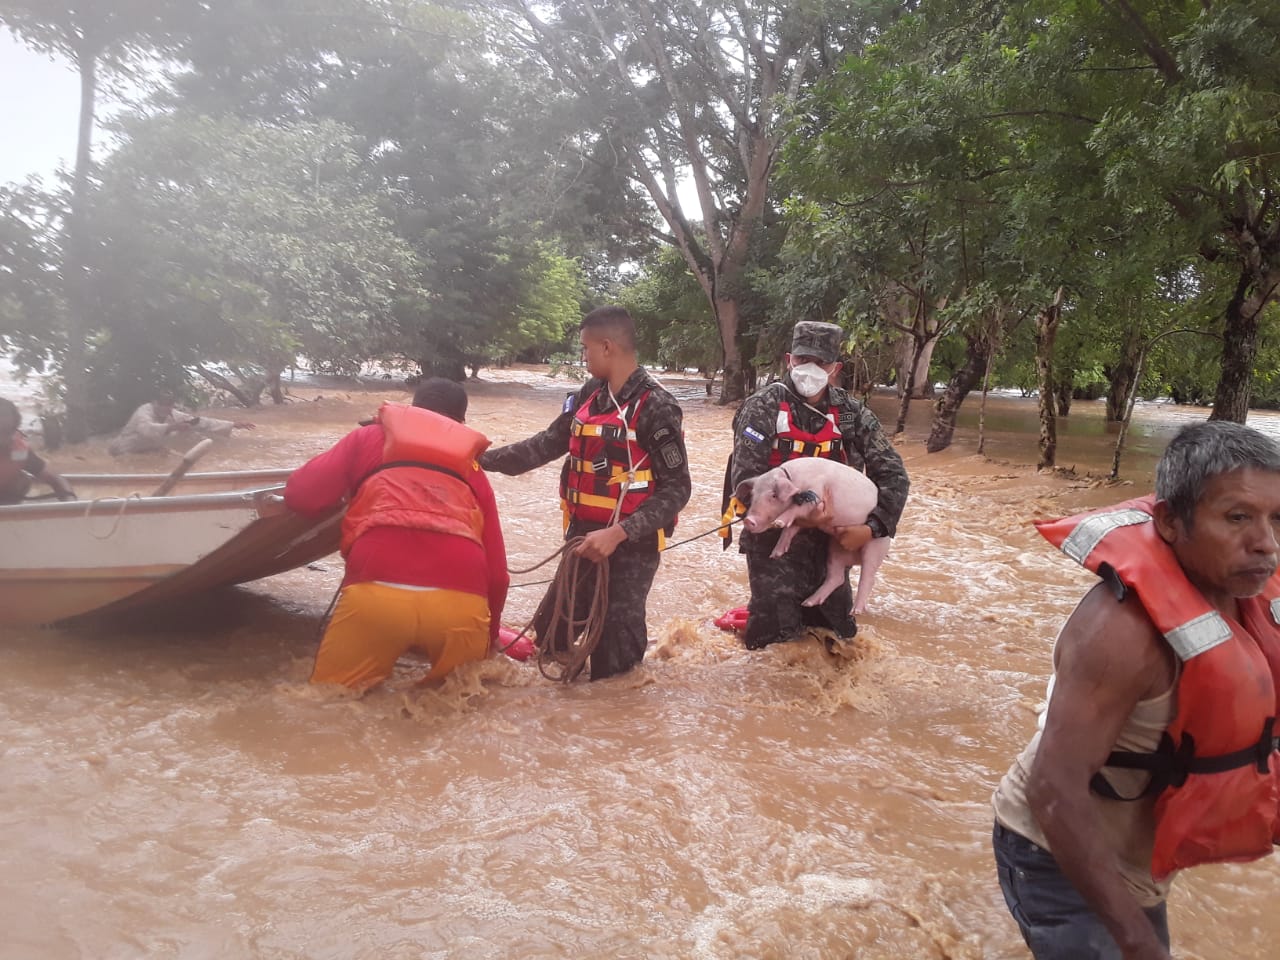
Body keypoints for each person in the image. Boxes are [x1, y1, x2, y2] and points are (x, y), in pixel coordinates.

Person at [992, 420, 1280, 960]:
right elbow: (1053, 790)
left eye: (1277, 519)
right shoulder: (1121, 634)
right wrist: (1137, 943)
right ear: (1171, 521)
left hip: (1137, 858)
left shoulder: (1249, 599)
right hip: (1052, 848)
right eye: (1237, 517)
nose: (1265, 543)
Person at [481, 305, 691, 680]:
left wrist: (617, 533)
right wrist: (476, 457)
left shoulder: (657, 406)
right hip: (581, 538)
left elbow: (678, 490)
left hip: (629, 547)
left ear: (607, 347)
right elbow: (543, 446)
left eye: (585, 349)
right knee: (550, 641)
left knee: (615, 667)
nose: (583, 357)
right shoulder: (589, 395)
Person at [284, 378, 509, 692]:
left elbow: (302, 496)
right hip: (460, 607)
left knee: (330, 701)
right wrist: (491, 638)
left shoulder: (365, 438)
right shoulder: (473, 470)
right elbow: (498, 576)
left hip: (376, 594)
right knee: (458, 703)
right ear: (460, 424)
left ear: (409, 409)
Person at [726, 321, 909, 650]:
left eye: (821, 363)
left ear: (835, 368)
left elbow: (894, 476)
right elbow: (745, 482)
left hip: (834, 544)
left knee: (837, 642)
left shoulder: (851, 414)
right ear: (788, 360)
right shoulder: (763, 407)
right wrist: (802, 516)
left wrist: (871, 529)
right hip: (773, 545)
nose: (810, 369)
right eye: (802, 359)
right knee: (774, 644)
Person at [108, 392, 255, 455]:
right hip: (122, 450)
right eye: (163, 405)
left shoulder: (172, 414)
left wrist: (234, 424)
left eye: (169, 406)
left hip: (149, 449)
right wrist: (174, 427)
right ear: (154, 403)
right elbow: (147, 429)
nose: (166, 409)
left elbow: (202, 422)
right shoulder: (143, 411)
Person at [1, 397, 76, 504]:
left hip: (5, 500)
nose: (2, 438)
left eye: (6, 431)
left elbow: (55, 478)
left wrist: (70, 501)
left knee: (22, 480)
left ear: (14, 429)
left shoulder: (19, 452)